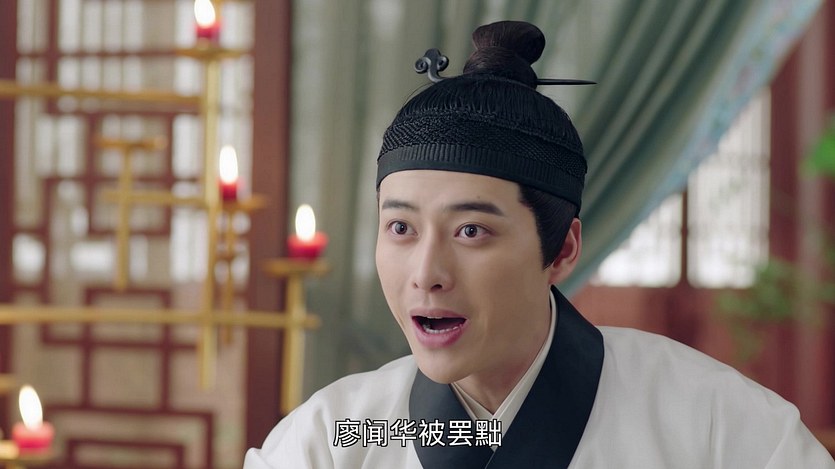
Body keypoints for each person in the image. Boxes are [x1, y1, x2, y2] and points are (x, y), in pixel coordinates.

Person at [244, 20, 835, 468]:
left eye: (471, 230)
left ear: (562, 250)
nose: (426, 273)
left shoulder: (715, 424)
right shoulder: (338, 435)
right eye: (401, 228)